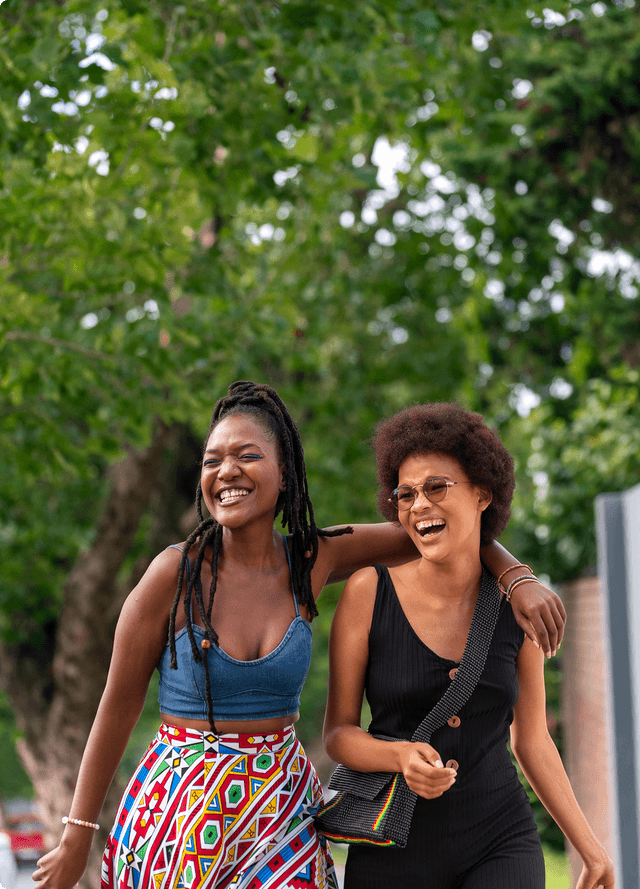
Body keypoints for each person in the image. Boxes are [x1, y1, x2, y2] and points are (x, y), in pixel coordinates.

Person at [33, 383, 565, 889]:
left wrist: (516, 576)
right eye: (212, 460)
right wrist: (78, 833)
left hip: (280, 812)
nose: (227, 471)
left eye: (247, 455)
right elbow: (118, 705)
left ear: (285, 474)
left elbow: (433, 528)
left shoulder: (312, 559)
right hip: (180, 817)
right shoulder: (173, 576)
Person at [323, 402, 614, 889]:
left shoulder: (514, 607)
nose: (419, 505)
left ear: (482, 494)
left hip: (500, 839)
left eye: (436, 487)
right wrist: (399, 757)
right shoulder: (368, 592)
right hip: (394, 848)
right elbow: (338, 735)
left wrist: (590, 846)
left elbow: (531, 739)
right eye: (405, 494)